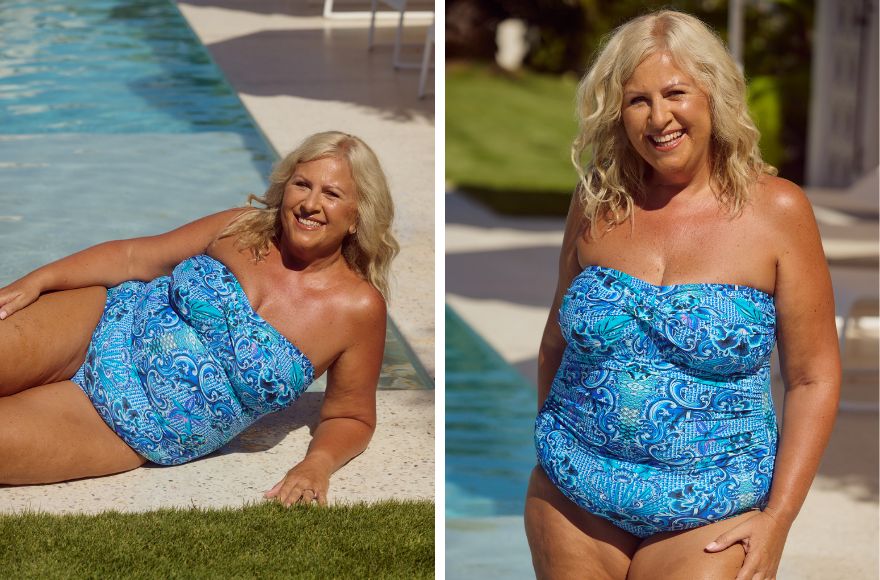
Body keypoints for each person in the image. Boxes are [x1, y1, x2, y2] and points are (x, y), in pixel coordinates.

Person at [525, 10, 840, 580]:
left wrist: (778, 518)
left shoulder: (778, 211)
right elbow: (554, 342)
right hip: (574, 493)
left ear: (713, 95)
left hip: (714, 506)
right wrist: (555, 447)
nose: (659, 117)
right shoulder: (598, 201)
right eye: (637, 100)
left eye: (676, 93)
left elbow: (814, 375)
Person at [0, 131, 398, 508]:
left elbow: (351, 414)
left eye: (331, 193)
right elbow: (133, 258)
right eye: (302, 184)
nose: (310, 203)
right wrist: (37, 281)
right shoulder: (239, 227)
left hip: (128, 424)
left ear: (356, 216)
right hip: (95, 324)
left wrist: (317, 464)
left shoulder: (357, 309)